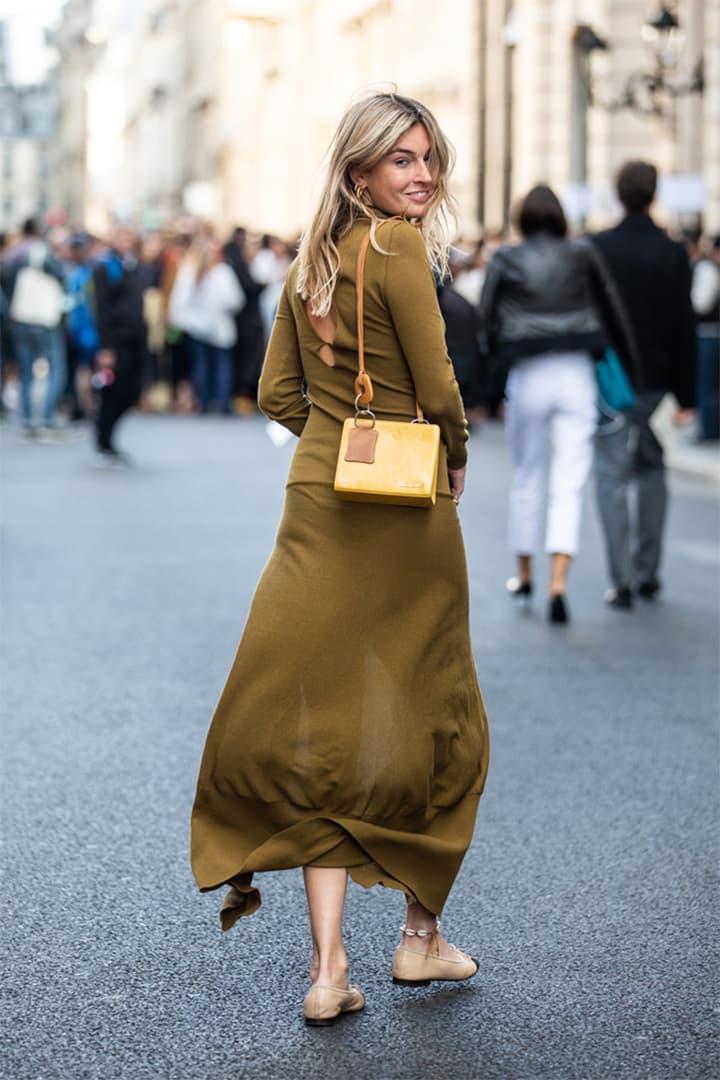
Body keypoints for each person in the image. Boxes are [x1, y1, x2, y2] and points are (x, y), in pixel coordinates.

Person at [191, 91, 489, 1026]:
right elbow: (437, 383)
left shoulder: (306, 263)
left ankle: (328, 972)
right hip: (404, 515)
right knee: (431, 712)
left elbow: (278, 390)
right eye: (402, 160)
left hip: (317, 505)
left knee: (323, 723)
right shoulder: (399, 248)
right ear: (359, 171)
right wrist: (451, 456)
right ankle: (418, 940)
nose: (423, 175)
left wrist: (335, 438)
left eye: (428, 157)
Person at [478, 184, 638, 624]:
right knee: (569, 481)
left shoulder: (505, 257)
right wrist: (630, 367)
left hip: (528, 372)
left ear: (522, 219)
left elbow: (488, 320)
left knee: (527, 474)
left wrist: (488, 378)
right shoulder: (582, 254)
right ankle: (557, 585)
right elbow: (612, 312)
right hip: (576, 373)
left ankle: (524, 574)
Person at [591, 162, 697, 607]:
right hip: (657, 381)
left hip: (610, 380)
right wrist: (687, 394)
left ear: (617, 193)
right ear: (654, 194)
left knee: (612, 475)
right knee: (653, 470)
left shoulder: (597, 248)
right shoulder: (672, 251)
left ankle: (621, 580)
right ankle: (647, 570)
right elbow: (683, 325)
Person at [3, 218, 68, 440]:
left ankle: (29, 419)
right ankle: (46, 419)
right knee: (56, 369)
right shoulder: (40, 251)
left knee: (26, 370)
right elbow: (61, 276)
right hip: (43, 317)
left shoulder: (13, 253)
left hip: (20, 316)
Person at [169, 235, 245, 414]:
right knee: (222, 366)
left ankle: (203, 402)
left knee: (200, 365)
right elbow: (236, 301)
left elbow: (179, 303)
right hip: (220, 329)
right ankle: (222, 403)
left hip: (198, 329)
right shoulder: (223, 273)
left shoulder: (188, 273)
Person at [92, 225, 146, 464]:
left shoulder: (131, 266)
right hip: (115, 342)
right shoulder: (106, 267)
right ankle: (104, 440)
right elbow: (102, 308)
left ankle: (108, 438)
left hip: (134, 340)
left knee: (132, 389)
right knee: (112, 392)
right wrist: (105, 347)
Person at [690, 234, 719, 442]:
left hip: (709, 334)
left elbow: (700, 304)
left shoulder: (708, 269)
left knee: (707, 385)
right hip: (710, 332)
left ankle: (709, 430)